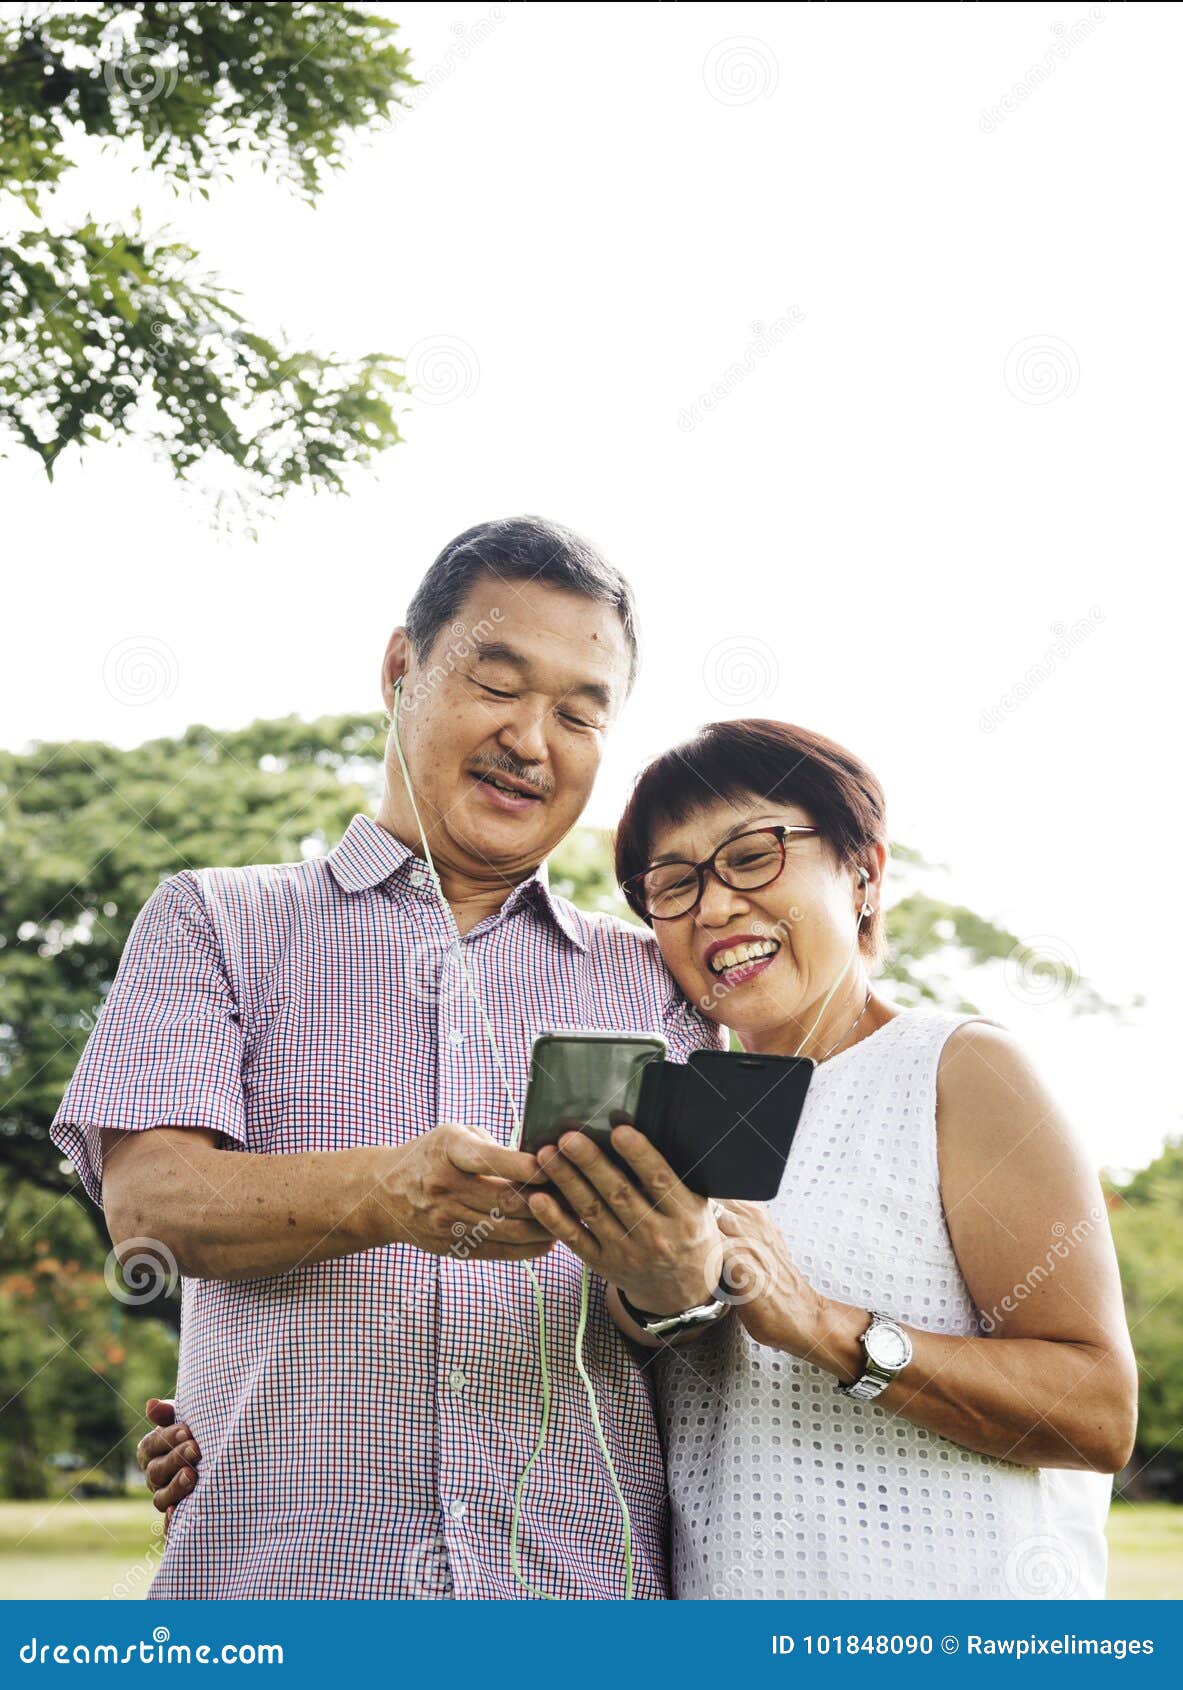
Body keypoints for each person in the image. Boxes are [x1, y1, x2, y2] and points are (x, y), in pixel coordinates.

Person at [50, 515, 726, 1601]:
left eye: (578, 713)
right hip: (276, 1602)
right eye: (497, 683)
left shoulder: (658, 984)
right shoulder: (216, 920)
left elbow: (695, 1319)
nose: (532, 740)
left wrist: (670, 1273)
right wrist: (391, 1190)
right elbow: (151, 1205)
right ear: (401, 668)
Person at [521, 718, 1138, 1598]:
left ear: (864, 872)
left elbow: (1097, 1412)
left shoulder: (955, 1066)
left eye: (751, 856)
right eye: (673, 883)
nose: (714, 906)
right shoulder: (667, 1111)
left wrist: (819, 1326)